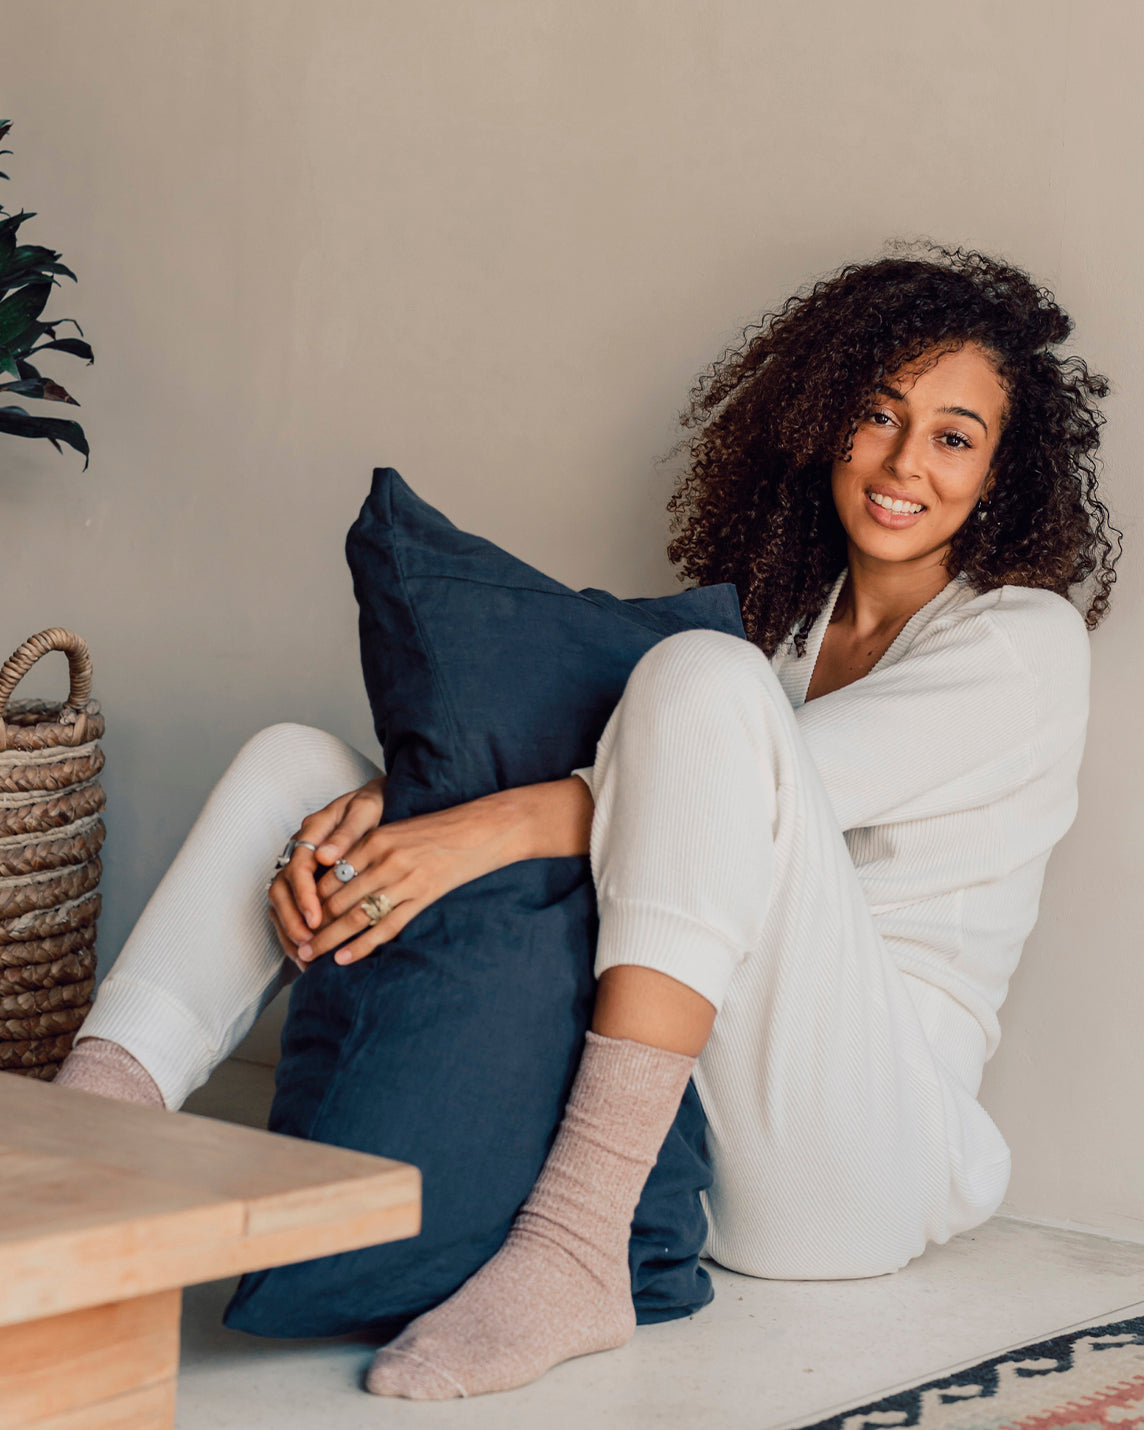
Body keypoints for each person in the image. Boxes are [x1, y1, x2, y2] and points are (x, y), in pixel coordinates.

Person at [50, 243, 1120, 1400]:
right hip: (702, 1106)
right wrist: (409, 798)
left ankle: (573, 1247)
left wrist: (463, 828)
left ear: (1001, 475)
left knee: (698, 678)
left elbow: (769, 780)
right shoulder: (786, 629)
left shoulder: (1023, 644)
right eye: (878, 414)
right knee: (293, 770)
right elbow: (659, 794)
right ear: (826, 420)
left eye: (954, 437)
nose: (905, 461)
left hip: (859, 1160)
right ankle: (69, 1160)